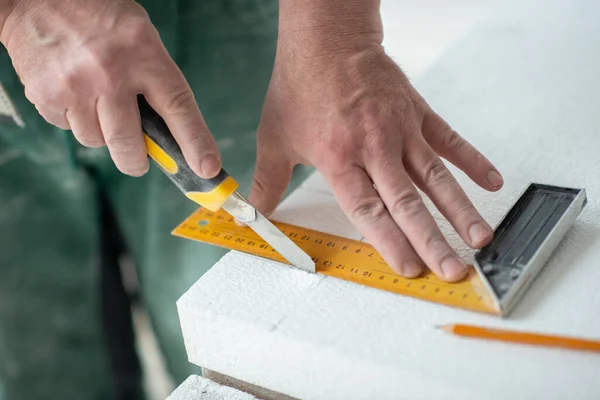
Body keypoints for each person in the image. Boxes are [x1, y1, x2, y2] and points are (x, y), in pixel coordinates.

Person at [0, 0, 503, 398]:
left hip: (217, 21)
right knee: (32, 368)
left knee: (239, 337)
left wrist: (340, 37)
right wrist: (20, 9)